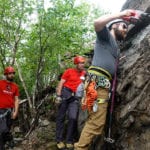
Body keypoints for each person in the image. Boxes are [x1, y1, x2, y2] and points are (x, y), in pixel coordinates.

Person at [74, 10, 135, 150]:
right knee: (96, 123)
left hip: (100, 84)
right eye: (124, 26)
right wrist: (119, 15)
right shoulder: (105, 36)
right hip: (98, 82)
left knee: (93, 120)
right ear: (114, 26)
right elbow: (97, 23)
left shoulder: (115, 47)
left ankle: (80, 146)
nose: (126, 30)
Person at [56, 56, 86, 149]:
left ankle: (69, 140)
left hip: (75, 98)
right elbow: (61, 83)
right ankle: (59, 140)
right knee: (61, 117)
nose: (82, 65)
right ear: (76, 64)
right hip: (65, 93)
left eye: (83, 63)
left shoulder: (84, 73)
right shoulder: (69, 71)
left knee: (73, 118)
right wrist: (58, 96)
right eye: (80, 63)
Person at [0, 66, 19, 150]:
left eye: (13, 73)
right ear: (6, 74)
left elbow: (16, 100)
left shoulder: (15, 86)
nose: (12, 75)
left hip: (10, 111)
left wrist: (15, 112)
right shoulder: (0, 83)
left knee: (7, 129)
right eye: (10, 73)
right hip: (1, 110)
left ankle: (5, 143)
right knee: (2, 130)